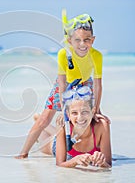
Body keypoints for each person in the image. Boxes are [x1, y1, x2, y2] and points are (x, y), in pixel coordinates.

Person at [15, 9, 108, 159]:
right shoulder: (64, 54)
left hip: (86, 85)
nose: (82, 44)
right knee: (45, 119)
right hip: (64, 84)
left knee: (93, 118)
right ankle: (23, 152)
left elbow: (98, 85)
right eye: (77, 40)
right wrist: (64, 107)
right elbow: (62, 82)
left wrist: (96, 108)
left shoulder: (96, 56)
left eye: (87, 40)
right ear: (70, 41)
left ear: (93, 39)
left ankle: (98, 150)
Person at [37, 86, 112, 168]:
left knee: (56, 133)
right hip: (62, 144)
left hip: (69, 135)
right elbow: (59, 164)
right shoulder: (63, 126)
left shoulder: (102, 126)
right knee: (42, 143)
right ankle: (39, 120)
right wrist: (75, 161)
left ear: (93, 111)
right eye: (74, 113)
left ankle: (43, 123)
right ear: (68, 114)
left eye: (85, 112)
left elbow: (108, 165)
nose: (80, 118)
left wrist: (101, 162)